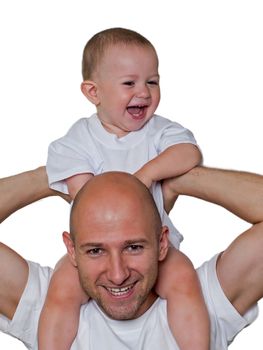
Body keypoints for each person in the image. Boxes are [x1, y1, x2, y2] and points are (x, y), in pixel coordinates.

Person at [43, 27, 206, 350]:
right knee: (60, 289)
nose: (144, 93)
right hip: (98, 247)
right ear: (93, 92)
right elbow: (84, 197)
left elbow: (190, 154)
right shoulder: (78, 139)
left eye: (152, 82)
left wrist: (144, 177)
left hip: (154, 243)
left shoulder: (159, 132)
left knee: (184, 279)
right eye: (129, 83)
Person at [0, 166, 262, 350]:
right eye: (95, 251)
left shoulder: (202, 302)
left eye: (134, 247)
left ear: (162, 243)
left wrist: (179, 177)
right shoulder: (48, 307)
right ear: (72, 250)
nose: (117, 274)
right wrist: (56, 174)